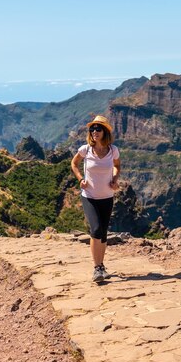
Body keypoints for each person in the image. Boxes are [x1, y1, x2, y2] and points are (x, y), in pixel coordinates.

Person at [71, 115, 121, 283]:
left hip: (107, 196)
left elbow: (117, 165)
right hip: (90, 197)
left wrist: (114, 179)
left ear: (105, 132)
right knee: (96, 229)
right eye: (92, 129)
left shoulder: (113, 150)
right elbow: (74, 163)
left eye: (98, 129)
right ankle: (96, 268)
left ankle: (101, 266)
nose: (94, 132)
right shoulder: (85, 149)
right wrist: (80, 179)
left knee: (104, 234)